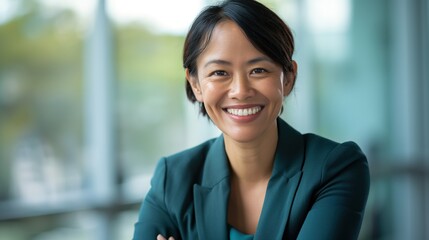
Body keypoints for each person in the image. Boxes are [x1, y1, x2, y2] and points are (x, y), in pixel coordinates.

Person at [133, 0, 370, 239]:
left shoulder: (334, 168)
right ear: (196, 84)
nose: (240, 90)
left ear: (288, 78)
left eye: (258, 70)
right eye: (219, 73)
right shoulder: (171, 178)